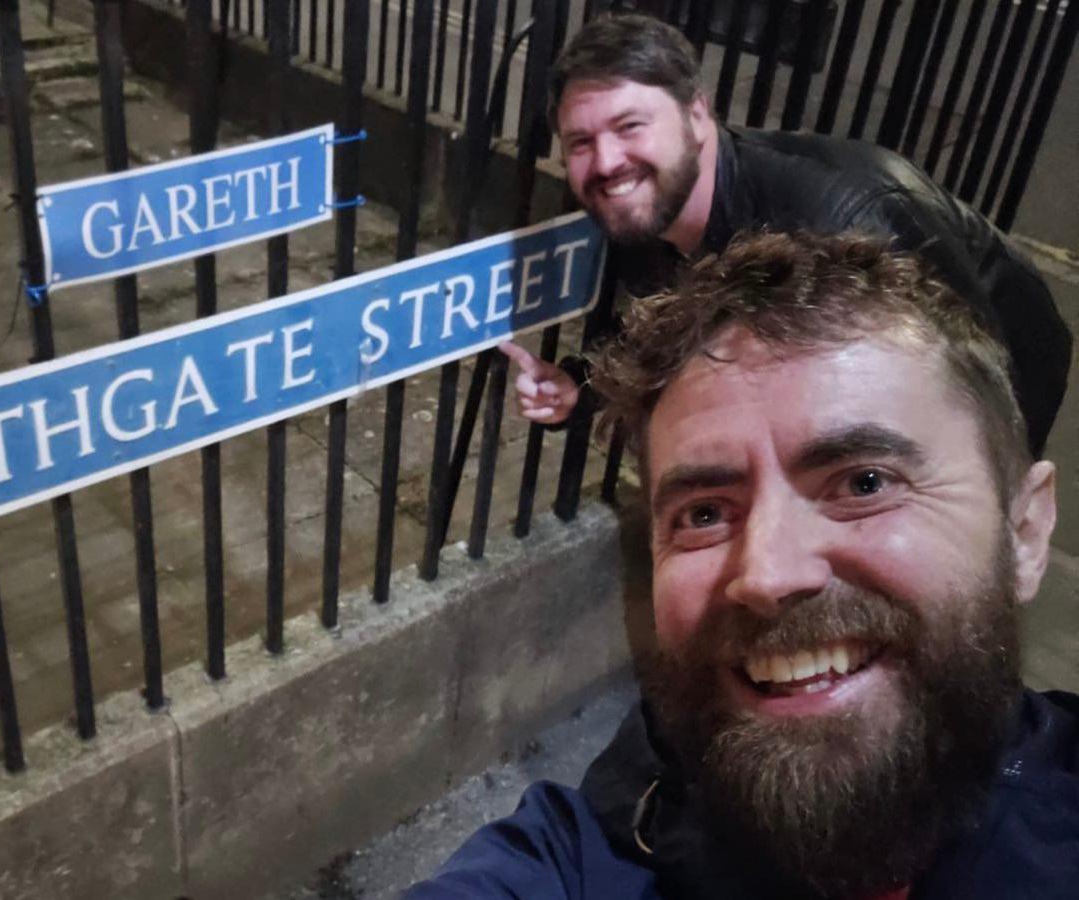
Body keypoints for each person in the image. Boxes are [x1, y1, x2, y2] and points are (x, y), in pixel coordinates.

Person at [406, 232, 1078, 899]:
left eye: (864, 483)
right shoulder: (590, 850)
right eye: (703, 514)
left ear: (1024, 530)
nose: (765, 573)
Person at [499, 14, 1071, 456]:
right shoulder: (643, 214)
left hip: (1005, 367)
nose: (606, 162)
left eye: (630, 126)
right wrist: (582, 393)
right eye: (580, 142)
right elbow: (657, 341)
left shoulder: (845, 220)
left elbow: (963, 395)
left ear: (698, 117)